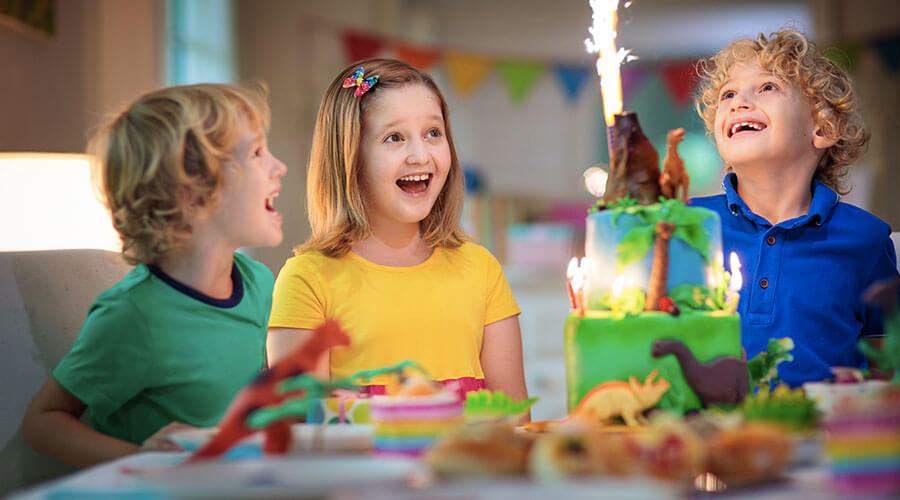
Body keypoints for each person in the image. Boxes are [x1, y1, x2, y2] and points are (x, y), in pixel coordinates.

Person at [21, 83, 288, 467]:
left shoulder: (259, 283)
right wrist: (144, 461)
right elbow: (43, 423)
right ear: (192, 193)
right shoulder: (134, 315)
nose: (279, 167)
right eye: (258, 153)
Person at [268, 59, 527, 403]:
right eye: (394, 138)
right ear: (349, 157)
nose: (420, 155)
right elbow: (297, 428)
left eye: (433, 133)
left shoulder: (482, 270)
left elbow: (513, 417)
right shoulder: (308, 279)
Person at [690, 30, 900, 387]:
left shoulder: (866, 239)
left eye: (767, 87)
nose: (738, 102)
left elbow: (890, 366)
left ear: (823, 127)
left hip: (825, 435)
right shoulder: (686, 225)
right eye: (728, 94)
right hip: (708, 436)